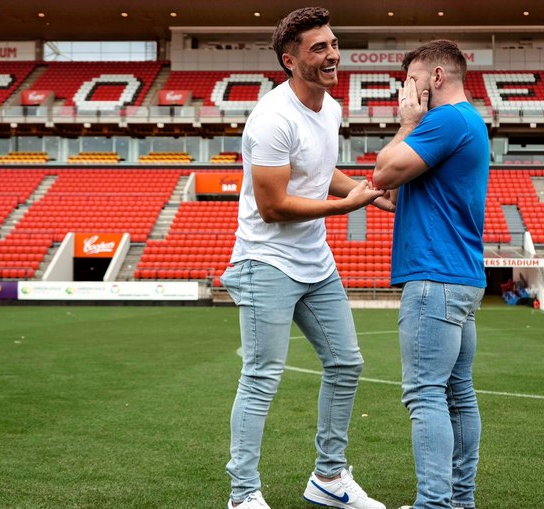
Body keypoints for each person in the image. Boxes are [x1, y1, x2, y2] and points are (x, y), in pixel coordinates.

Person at [220, 7, 392, 509]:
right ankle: (243, 495)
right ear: (289, 60)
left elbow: (319, 169)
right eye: (319, 48)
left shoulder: (331, 107)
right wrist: (348, 205)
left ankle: (329, 477)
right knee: (261, 377)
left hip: (314, 263)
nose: (333, 54)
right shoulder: (271, 118)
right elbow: (273, 207)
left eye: (334, 43)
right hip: (265, 261)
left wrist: (372, 191)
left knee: (346, 363)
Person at [372, 40, 490, 509]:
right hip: (460, 277)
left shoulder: (441, 119)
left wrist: (407, 123)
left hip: (434, 279)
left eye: (412, 80)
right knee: (457, 395)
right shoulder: (470, 123)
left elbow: (384, 171)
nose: (407, 90)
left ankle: (435, 503)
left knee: (425, 395)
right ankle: (459, 501)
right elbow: (395, 193)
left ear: (437, 77)